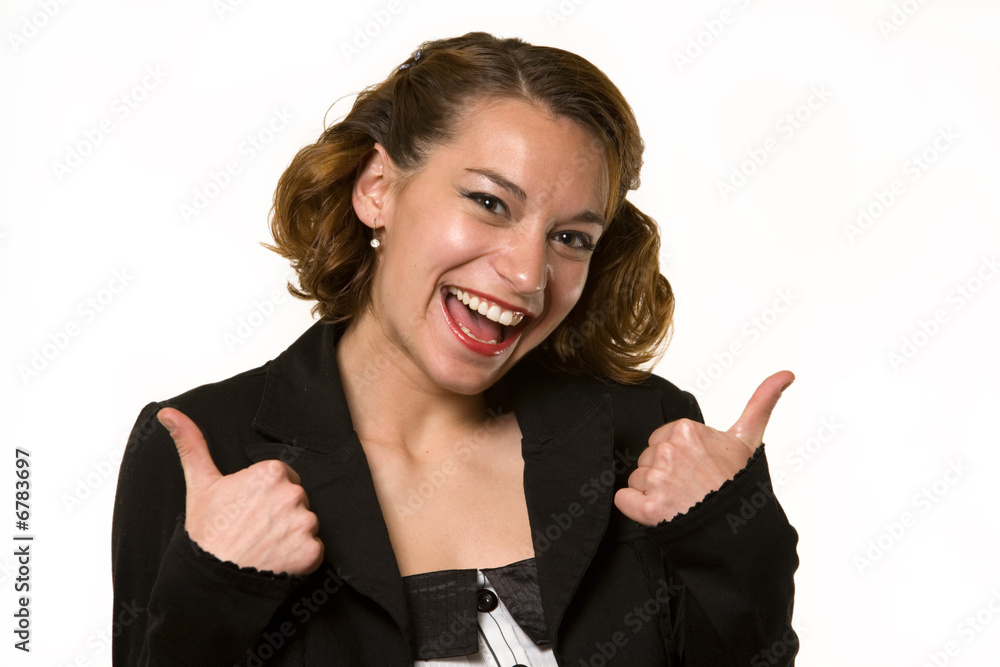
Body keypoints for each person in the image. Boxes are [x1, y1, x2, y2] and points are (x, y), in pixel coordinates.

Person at [112, 32, 799, 666]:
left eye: (570, 238)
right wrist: (216, 591)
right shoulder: (208, 452)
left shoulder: (647, 436)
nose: (528, 275)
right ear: (377, 189)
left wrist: (732, 539)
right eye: (490, 203)